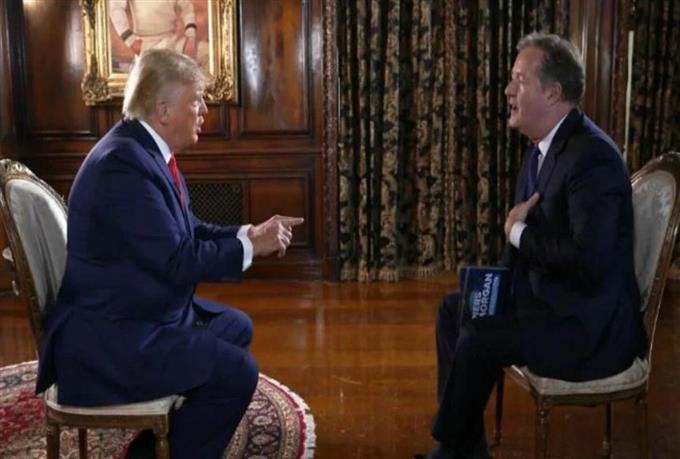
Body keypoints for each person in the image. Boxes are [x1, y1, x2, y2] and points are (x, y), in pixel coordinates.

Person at [35, 48, 303, 458]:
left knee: (235, 327)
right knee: (238, 372)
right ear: (164, 110)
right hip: (111, 338)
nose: (205, 110)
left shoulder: (142, 151)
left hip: (135, 310)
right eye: (196, 100)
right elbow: (178, 261)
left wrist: (250, 232)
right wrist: (252, 247)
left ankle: (153, 448)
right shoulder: (122, 166)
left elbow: (189, 230)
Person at [415, 33, 647, 459]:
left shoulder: (592, 158)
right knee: (454, 311)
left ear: (552, 93)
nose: (507, 90)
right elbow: (521, 245)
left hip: (587, 327)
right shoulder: (541, 147)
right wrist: (492, 287)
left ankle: (449, 448)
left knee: (479, 337)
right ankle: (465, 450)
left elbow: (589, 262)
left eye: (519, 80)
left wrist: (517, 232)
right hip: (548, 301)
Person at [109, 0, 209, 68]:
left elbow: (187, 8)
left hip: (172, 42)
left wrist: (191, 37)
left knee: (206, 52)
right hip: (147, 46)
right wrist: (131, 41)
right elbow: (115, 8)